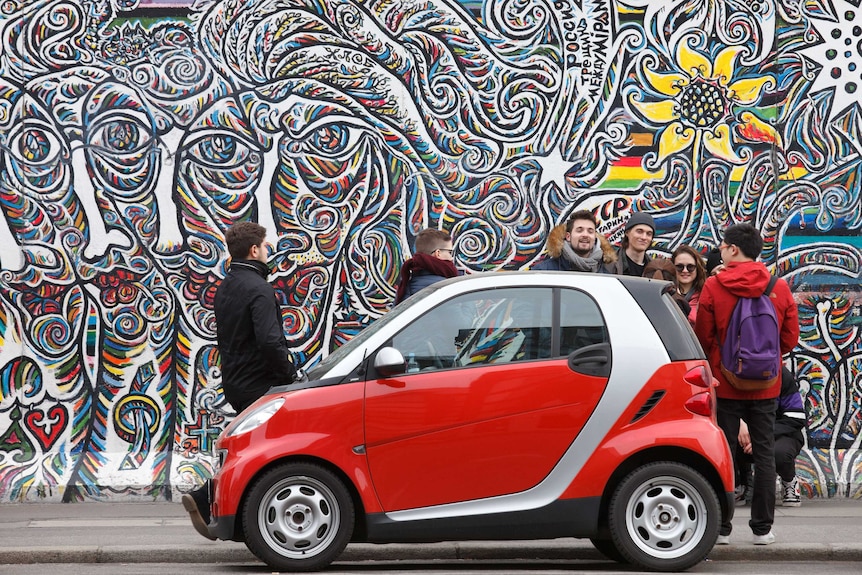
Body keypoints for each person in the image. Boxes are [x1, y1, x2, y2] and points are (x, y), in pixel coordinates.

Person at [182, 221, 297, 540]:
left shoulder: (227, 286)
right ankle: (228, 507)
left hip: (235, 381)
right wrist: (290, 374)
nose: (269, 250)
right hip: (261, 385)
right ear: (254, 249)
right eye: (266, 245)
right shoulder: (259, 288)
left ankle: (208, 499)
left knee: (252, 449)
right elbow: (270, 342)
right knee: (283, 451)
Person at [694, 223, 800, 546]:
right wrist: (764, 362)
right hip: (767, 387)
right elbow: (789, 338)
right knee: (765, 454)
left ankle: (722, 529)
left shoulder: (714, 286)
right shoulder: (778, 287)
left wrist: (724, 364)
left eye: (723, 246)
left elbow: (703, 336)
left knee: (723, 453)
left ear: (733, 250)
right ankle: (762, 530)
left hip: (725, 385)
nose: (720, 251)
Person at [735, 366, 806, 507]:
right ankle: (742, 483)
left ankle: (789, 481)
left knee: (779, 453)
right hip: (746, 436)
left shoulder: (781, 375)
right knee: (725, 440)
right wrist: (737, 422)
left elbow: (796, 417)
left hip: (781, 435)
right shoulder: (731, 372)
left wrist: (760, 437)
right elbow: (719, 406)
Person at [532, 210, 617, 272]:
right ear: (568, 236)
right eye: (579, 230)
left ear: (595, 237)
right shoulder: (544, 271)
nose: (585, 235)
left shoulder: (604, 274)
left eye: (590, 231)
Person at [394, 229, 459, 304]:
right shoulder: (445, 287)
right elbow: (461, 315)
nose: (451, 257)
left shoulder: (406, 287)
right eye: (449, 252)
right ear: (438, 253)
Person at [605, 211, 655, 276]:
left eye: (649, 234)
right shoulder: (609, 263)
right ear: (627, 233)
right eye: (639, 231)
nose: (644, 237)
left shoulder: (654, 268)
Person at [672, 245, 707, 325]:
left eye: (690, 267)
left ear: (697, 268)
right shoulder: (666, 294)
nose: (685, 270)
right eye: (679, 267)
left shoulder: (705, 295)